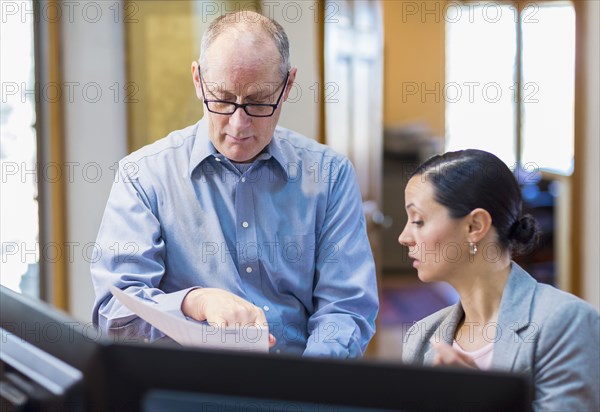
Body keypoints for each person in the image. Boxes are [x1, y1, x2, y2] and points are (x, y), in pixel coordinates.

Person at [91, 11, 378, 358]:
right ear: (198, 81)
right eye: (223, 99)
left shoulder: (330, 176)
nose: (239, 124)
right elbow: (114, 312)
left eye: (258, 102)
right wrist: (193, 301)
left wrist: (307, 386)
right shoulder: (143, 176)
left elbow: (346, 309)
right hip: (188, 390)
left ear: (287, 86)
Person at [399, 149, 599, 411]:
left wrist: (482, 399)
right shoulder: (421, 337)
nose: (404, 237)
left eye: (418, 220)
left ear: (475, 226)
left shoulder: (565, 322)